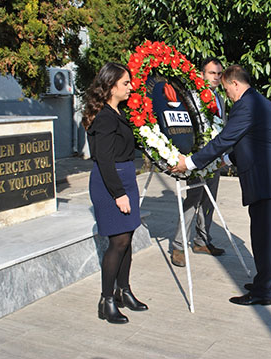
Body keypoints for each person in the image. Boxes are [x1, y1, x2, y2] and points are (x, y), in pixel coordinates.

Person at [172, 65, 271, 306]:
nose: (227, 95)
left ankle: (263, 292)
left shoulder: (245, 105)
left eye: (226, 89)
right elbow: (255, 142)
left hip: (268, 183)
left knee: (265, 236)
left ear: (235, 84)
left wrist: (189, 163)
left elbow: (225, 139)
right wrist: (227, 160)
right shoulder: (260, 102)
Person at [83, 62, 148, 324]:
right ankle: (106, 300)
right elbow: (105, 159)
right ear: (111, 87)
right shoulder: (105, 117)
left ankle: (124, 291)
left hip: (125, 178)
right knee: (117, 242)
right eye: (125, 83)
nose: (131, 87)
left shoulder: (116, 112)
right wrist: (118, 193)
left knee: (127, 238)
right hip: (111, 182)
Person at [170, 58, 227, 267]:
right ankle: (178, 245)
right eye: (212, 73)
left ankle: (202, 240)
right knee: (192, 200)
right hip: (198, 158)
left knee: (209, 200)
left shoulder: (220, 98)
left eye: (219, 74)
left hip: (216, 159)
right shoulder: (192, 97)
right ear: (202, 74)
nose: (217, 78)